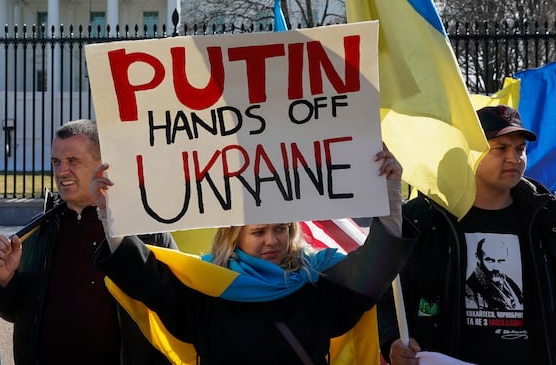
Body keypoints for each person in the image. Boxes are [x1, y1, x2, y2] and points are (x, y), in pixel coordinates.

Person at [90, 146, 413, 364]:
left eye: (281, 229)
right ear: (234, 237)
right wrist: (109, 211)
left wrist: (390, 191)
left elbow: (378, 264)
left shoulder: (317, 282)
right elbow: (142, 274)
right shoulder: (207, 287)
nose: (272, 241)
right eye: (258, 232)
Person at [0, 119, 177, 365]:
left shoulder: (145, 230)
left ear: (102, 165)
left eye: (72, 161)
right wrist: (4, 280)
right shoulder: (36, 232)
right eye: (56, 161)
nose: (61, 170)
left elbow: (172, 303)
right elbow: (16, 313)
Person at [378, 105, 555, 364]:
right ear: (470, 153)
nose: (514, 158)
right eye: (501, 148)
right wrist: (392, 340)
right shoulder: (423, 220)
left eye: (519, 149)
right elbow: (389, 289)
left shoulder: (546, 218)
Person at [465, 236, 523, 311]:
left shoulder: (508, 281)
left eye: (501, 261)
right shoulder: (470, 288)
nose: (496, 267)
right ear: (477, 257)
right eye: (490, 260)